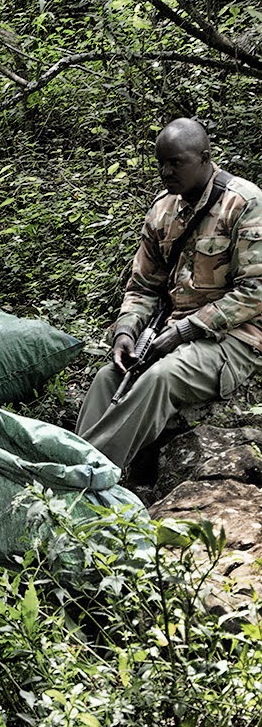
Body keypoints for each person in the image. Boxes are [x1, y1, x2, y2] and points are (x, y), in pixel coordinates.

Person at [76, 118, 262, 472]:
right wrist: (126, 332)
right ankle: (77, 464)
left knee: (162, 377)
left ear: (205, 158)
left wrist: (186, 330)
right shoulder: (163, 210)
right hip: (169, 332)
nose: (165, 171)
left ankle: (83, 475)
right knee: (107, 379)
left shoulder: (245, 204)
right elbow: (144, 285)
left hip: (238, 339)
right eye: (161, 162)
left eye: (176, 162)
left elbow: (256, 291)